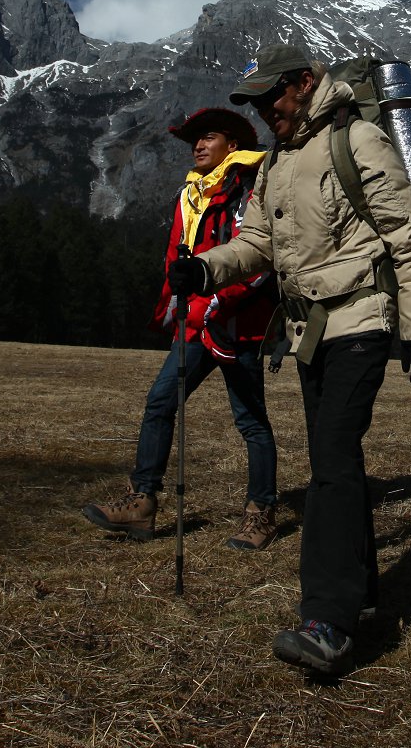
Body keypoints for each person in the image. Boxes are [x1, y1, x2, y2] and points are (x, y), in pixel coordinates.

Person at [170, 44, 411, 675]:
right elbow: (258, 243)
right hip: (310, 331)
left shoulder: (362, 141)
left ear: (302, 83)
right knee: (334, 456)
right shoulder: (277, 162)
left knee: (331, 463)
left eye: (272, 98)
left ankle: (330, 620)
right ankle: (364, 590)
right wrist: (204, 269)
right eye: (257, 103)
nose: (266, 111)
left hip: (362, 322)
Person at [81, 107, 281, 550]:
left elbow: (260, 263)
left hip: (235, 326)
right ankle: (142, 501)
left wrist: (214, 302)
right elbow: (176, 258)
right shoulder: (191, 193)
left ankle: (261, 511)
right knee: (159, 404)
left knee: (250, 421)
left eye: (208, 137)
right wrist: (177, 305)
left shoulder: (249, 190)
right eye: (195, 139)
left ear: (233, 144)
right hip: (193, 325)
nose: (197, 145)